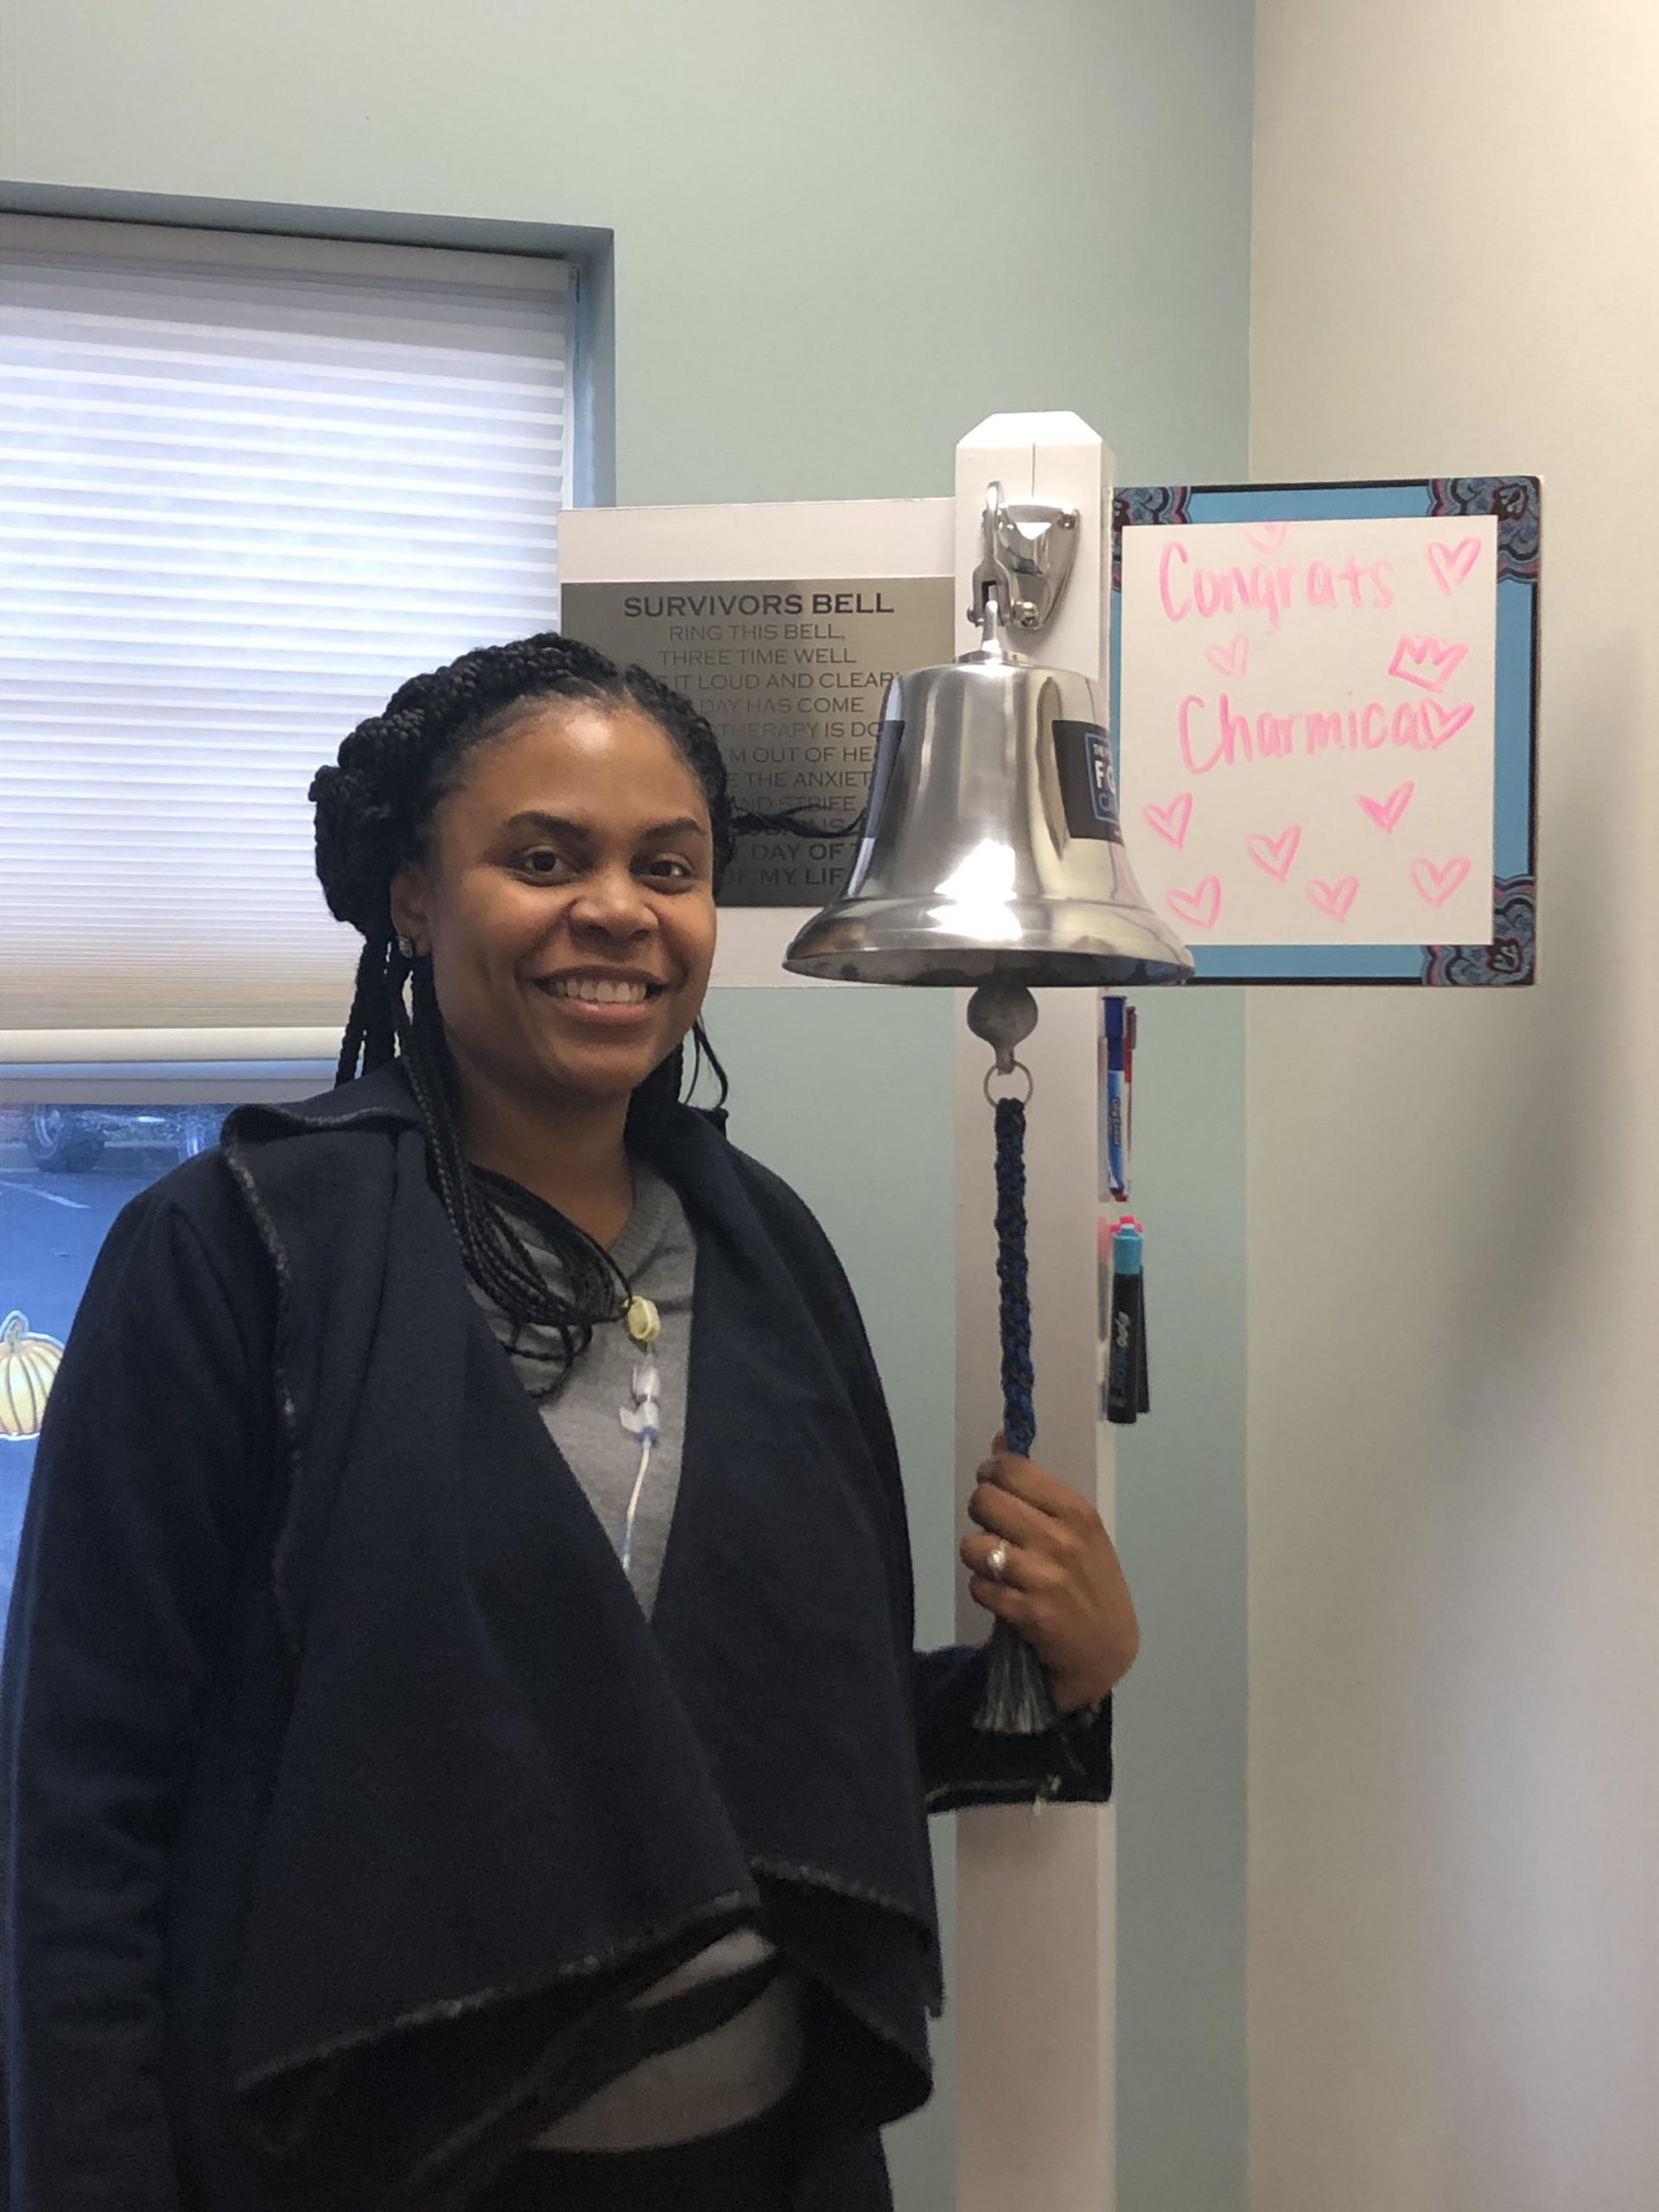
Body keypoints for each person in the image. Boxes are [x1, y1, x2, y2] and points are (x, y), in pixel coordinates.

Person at [0, 633, 1140, 2212]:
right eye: (544, 858)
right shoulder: (235, 1253)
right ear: (414, 896)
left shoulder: (767, 1249)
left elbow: (747, 1735)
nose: (617, 907)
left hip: (760, 2162)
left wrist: (1055, 1680)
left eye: (666, 867)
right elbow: (80, 1808)